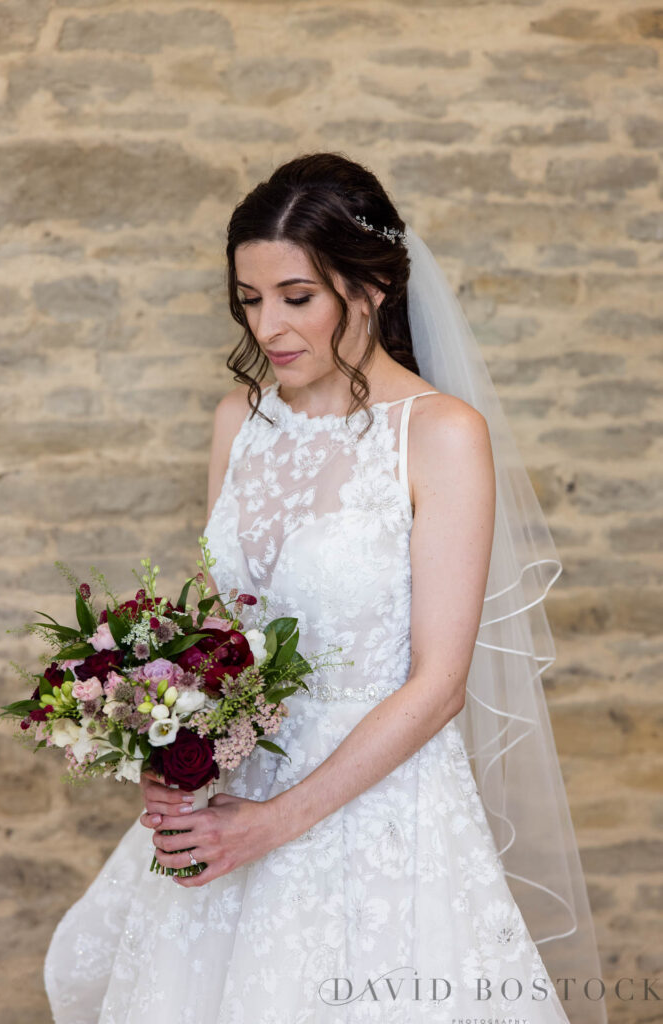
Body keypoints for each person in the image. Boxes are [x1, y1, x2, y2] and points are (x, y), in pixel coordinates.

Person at [44, 152, 606, 1023]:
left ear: (372, 285)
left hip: (378, 813)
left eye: (296, 297)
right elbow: (218, 646)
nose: (269, 325)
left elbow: (438, 685)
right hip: (228, 801)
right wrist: (169, 754)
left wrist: (272, 824)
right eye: (249, 299)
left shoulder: (440, 435)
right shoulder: (239, 421)